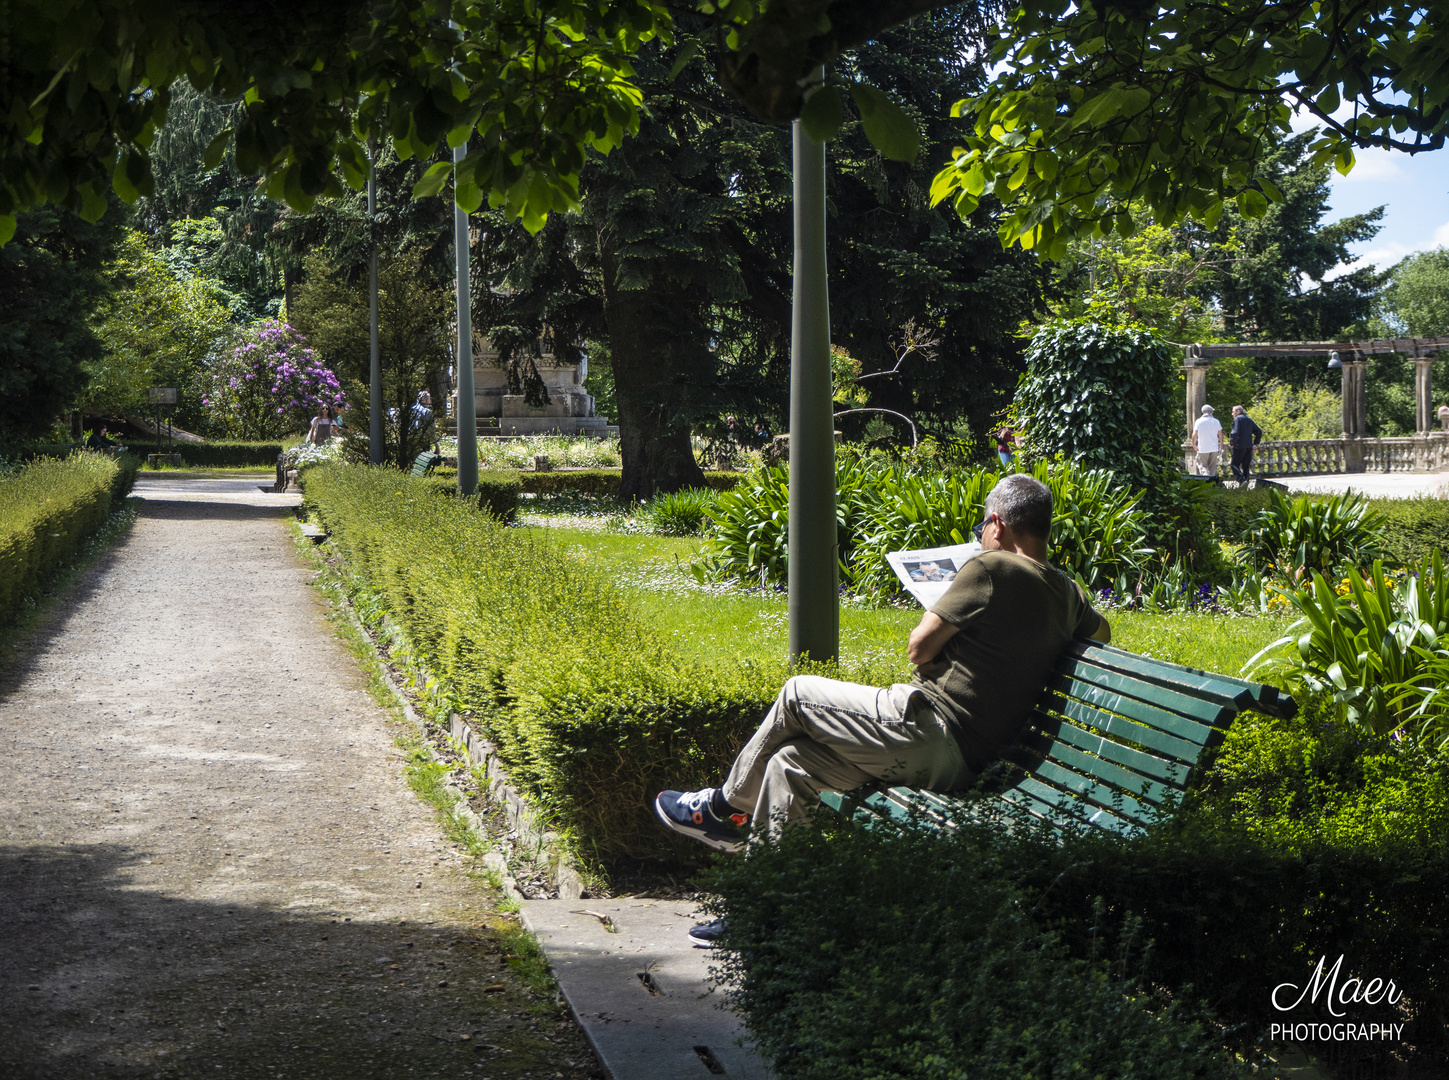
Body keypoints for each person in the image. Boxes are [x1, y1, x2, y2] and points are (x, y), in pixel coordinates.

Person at [654, 473, 1110, 946]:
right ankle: (760, 915)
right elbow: (1103, 635)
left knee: (796, 693)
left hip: (928, 727)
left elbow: (920, 649)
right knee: (791, 766)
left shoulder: (991, 567)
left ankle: (723, 811)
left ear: (998, 523)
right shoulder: (1068, 592)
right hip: (962, 761)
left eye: (982, 525)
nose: (979, 534)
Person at [1229, 404, 1264, 483]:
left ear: (1238, 411)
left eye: (1233, 412)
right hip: (1248, 446)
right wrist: (1255, 443)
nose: (1232, 414)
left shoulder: (1237, 419)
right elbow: (1259, 432)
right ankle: (1246, 482)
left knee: (1234, 465)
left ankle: (1242, 480)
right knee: (1246, 466)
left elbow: (1235, 433)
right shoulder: (1249, 420)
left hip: (1239, 446)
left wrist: (1232, 442)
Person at [1192, 404, 1223, 477]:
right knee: (1212, 467)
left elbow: (1194, 434)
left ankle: (1207, 479)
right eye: (1212, 411)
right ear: (1209, 411)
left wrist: (1194, 444)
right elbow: (1220, 435)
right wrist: (1221, 445)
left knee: (1202, 466)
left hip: (1203, 448)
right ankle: (1211, 483)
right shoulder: (1216, 421)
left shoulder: (1199, 421)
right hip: (1214, 448)